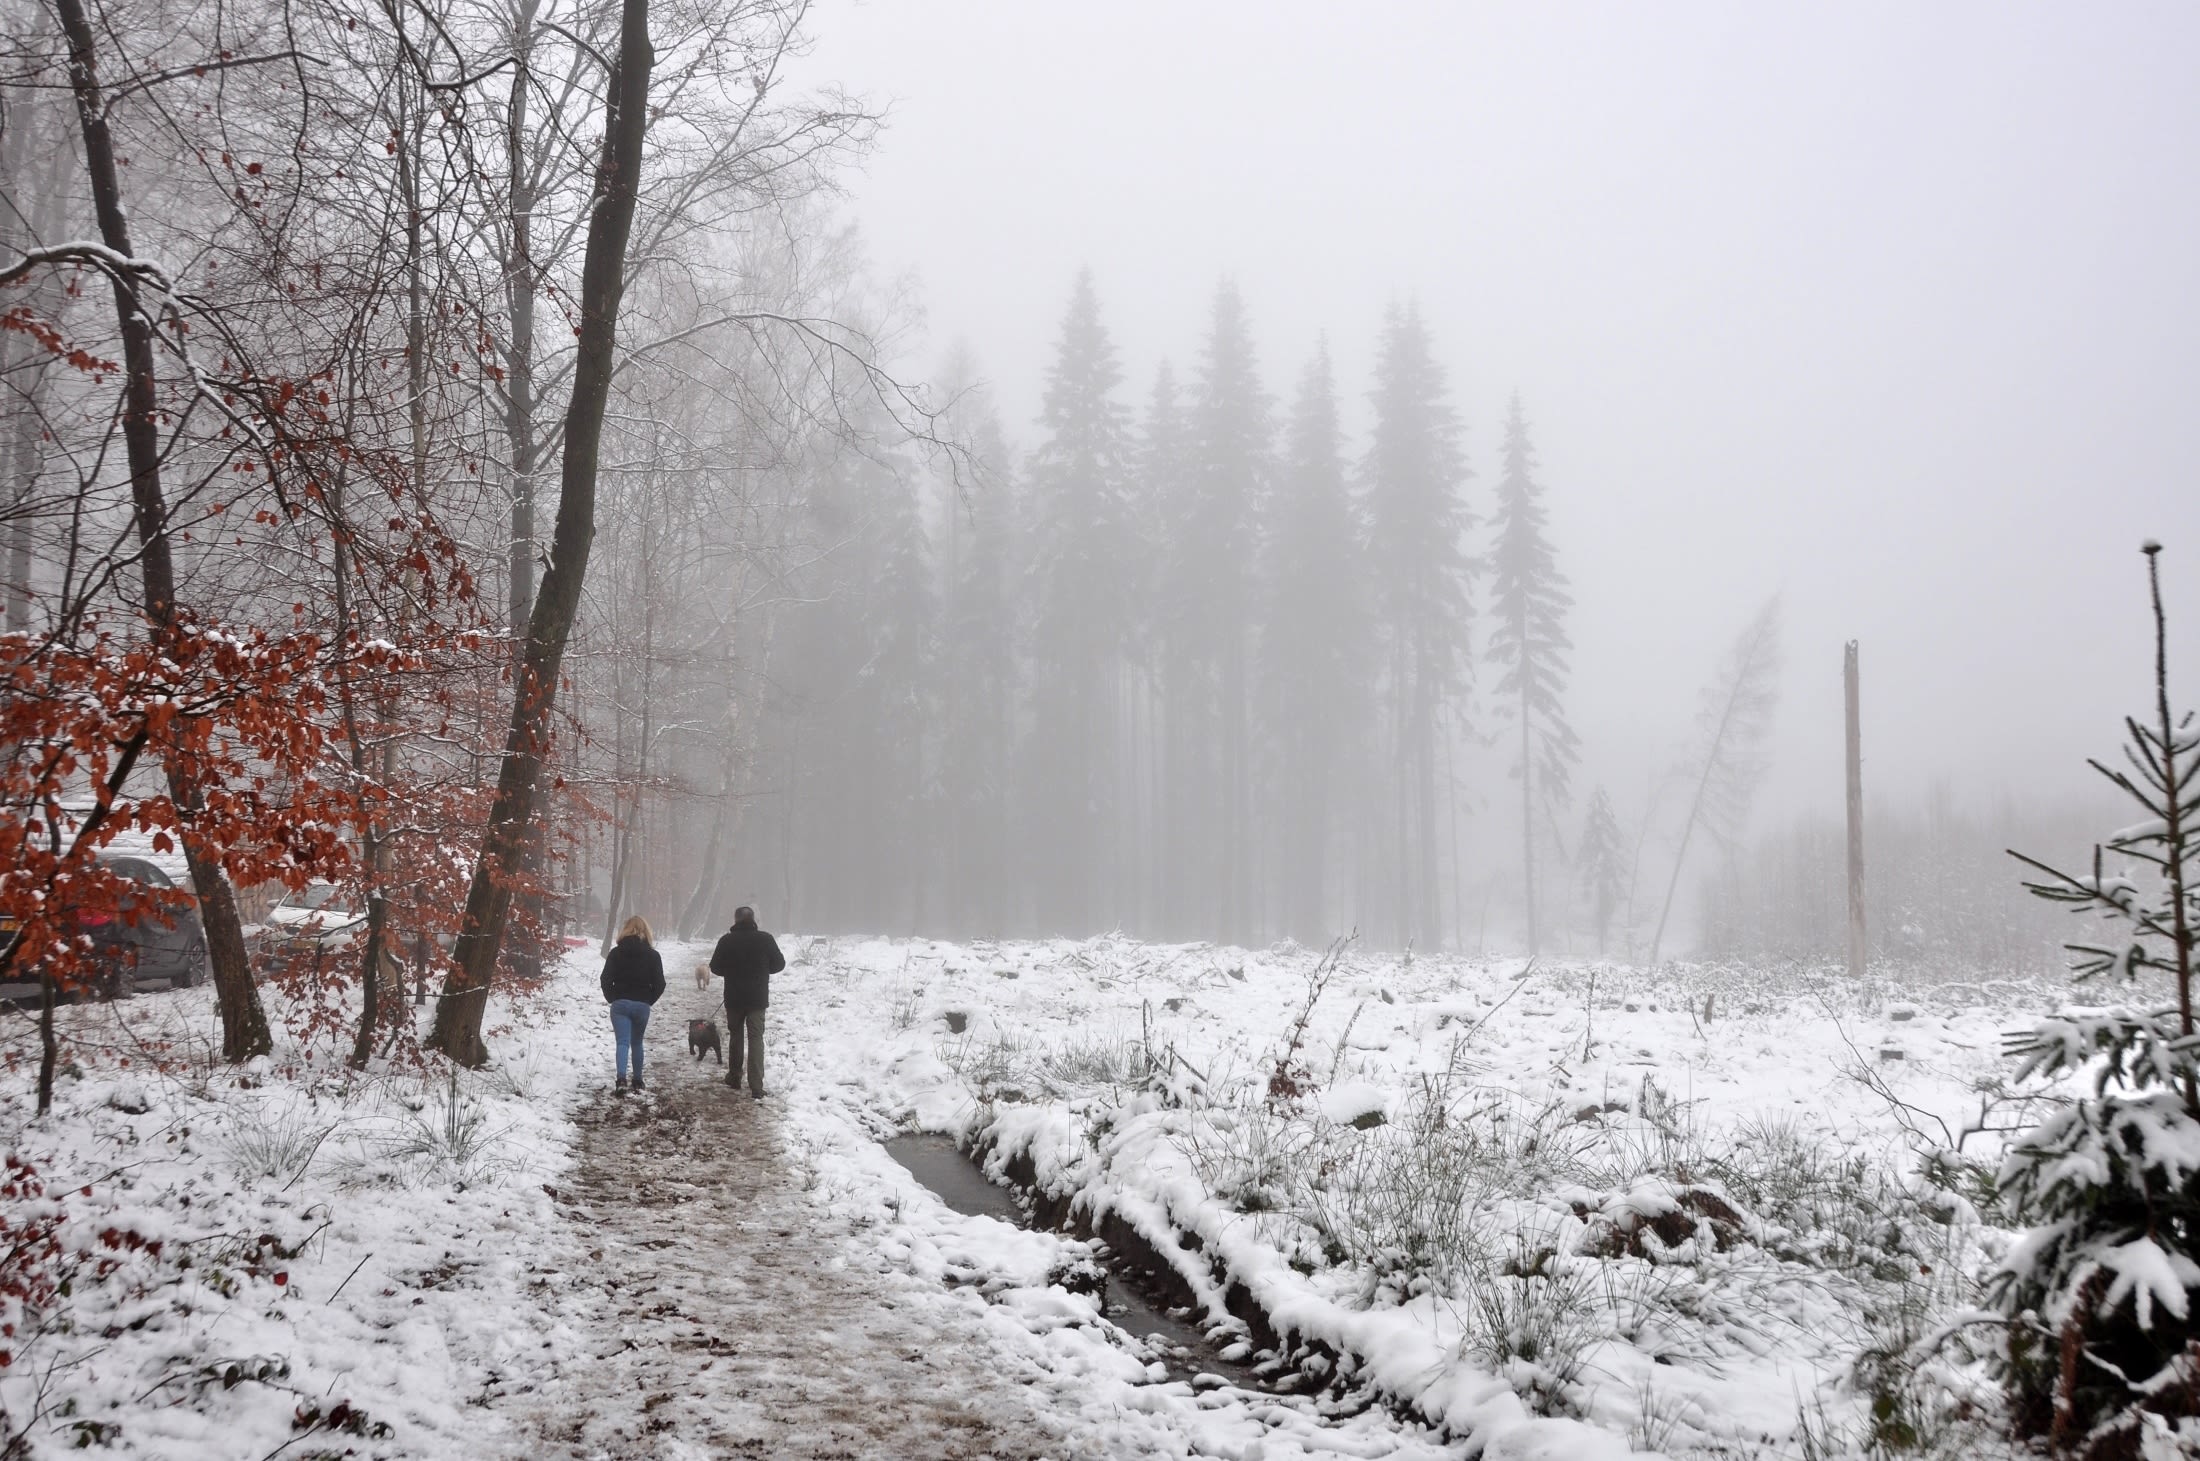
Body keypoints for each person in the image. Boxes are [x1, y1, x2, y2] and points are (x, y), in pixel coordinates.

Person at [708, 906, 784, 1099]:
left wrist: (731, 971)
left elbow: (715, 967)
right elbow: (779, 964)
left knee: (736, 1036)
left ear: (735, 920)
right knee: (756, 1039)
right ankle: (757, 1086)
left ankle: (734, 1077)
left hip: (734, 997)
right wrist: (763, 969)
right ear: (753, 920)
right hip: (757, 998)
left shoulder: (726, 941)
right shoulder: (766, 939)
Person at [600, 915, 665, 1094]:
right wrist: (648, 1000)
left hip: (620, 1003)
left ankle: (621, 1079)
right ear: (646, 931)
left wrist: (612, 997)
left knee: (622, 1042)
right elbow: (660, 984)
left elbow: (605, 979)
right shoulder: (653, 955)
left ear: (625, 930)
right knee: (637, 1042)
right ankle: (638, 1080)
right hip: (641, 1005)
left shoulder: (616, 953)